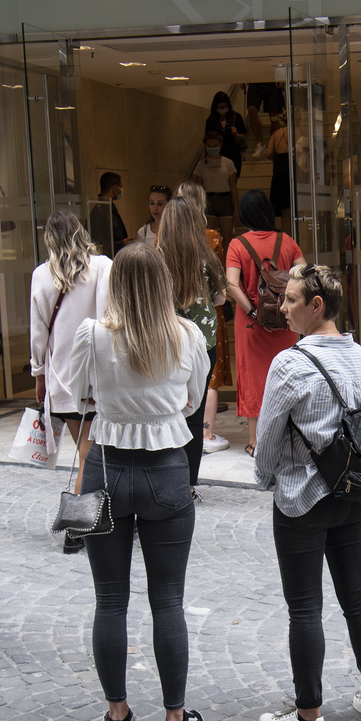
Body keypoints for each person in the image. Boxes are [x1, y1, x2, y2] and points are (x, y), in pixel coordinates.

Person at [66, 243, 211, 721]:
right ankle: (175, 718)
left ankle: (117, 714)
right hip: (168, 466)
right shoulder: (187, 335)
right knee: (168, 601)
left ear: (116, 286)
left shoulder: (93, 335)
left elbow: (74, 389)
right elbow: (193, 400)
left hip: (105, 464)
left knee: (109, 600)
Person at [253, 263, 361, 721]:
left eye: (290, 300)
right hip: (354, 493)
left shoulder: (290, 364)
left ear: (317, 306)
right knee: (357, 597)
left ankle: (308, 716)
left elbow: (268, 436)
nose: (281, 306)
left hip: (301, 498)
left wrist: (263, 477)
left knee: (305, 608)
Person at [29, 210, 112, 552]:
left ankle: (90, 519)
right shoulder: (102, 266)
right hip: (96, 372)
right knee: (90, 451)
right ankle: (78, 528)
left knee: (86, 449)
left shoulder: (41, 275)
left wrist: (38, 373)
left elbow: (38, 331)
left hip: (61, 374)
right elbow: (109, 317)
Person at [226, 189, 307, 455]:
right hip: (284, 321)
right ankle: (288, 438)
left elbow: (231, 284)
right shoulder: (287, 241)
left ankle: (256, 442)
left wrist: (251, 311)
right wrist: (288, 302)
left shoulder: (237, 245)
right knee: (286, 375)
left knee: (253, 377)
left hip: (251, 325)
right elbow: (304, 274)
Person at [157, 194, 225, 498]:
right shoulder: (206, 255)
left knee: (168, 410)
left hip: (168, 342)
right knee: (194, 415)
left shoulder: (156, 257)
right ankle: (189, 485)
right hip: (203, 342)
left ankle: (166, 479)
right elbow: (221, 297)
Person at [177, 181, 232, 453]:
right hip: (204, 334)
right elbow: (221, 295)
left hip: (170, 334)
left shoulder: (159, 248)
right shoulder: (208, 243)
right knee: (202, 393)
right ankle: (190, 478)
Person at [194, 131, 239, 251]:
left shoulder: (228, 163)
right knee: (208, 238)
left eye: (215, 146)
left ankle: (226, 265)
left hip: (225, 200)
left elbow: (233, 186)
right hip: (209, 200)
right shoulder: (201, 165)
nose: (212, 148)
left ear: (220, 145)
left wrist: (236, 208)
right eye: (209, 146)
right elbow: (197, 187)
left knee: (227, 238)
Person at [88, 171, 131, 259]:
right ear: (114, 188)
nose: (121, 191)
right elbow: (100, 244)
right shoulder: (100, 212)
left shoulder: (110, 208)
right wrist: (123, 243)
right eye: (120, 187)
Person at [204, 91, 246, 178]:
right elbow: (207, 139)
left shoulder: (236, 117)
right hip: (217, 154)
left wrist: (236, 134)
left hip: (234, 152)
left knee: (233, 179)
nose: (222, 109)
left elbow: (244, 135)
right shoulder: (211, 120)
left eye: (224, 107)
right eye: (220, 107)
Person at [245, 81, 286, 159]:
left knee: (274, 115)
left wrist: (281, 78)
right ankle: (260, 143)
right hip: (255, 81)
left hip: (272, 82)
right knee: (251, 110)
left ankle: (275, 143)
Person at [267, 114, 292, 231]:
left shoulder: (276, 133)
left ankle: (285, 237)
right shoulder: (299, 131)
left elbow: (269, 153)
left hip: (279, 170)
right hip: (291, 168)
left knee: (284, 210)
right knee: (290, 208)